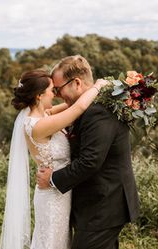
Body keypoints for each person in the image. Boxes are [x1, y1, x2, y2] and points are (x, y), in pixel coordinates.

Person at [37, 55, 140, 249]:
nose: (58, 95)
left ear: (76, 83)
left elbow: (90, 161)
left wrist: (52, 179)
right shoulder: (87, 106)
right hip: (96, 204)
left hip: (104, 204)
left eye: (58, 89)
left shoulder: (98, 111)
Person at [0, 68, 107, 249]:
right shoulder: (38, 125)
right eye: (51, 90)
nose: (55, 94)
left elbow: (74, 103)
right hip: (52, 196)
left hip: (59, 190)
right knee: (51, 243)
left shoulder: (45, 115)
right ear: (39, 96)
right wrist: (98, 86)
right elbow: (78, 108)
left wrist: (87, 91)